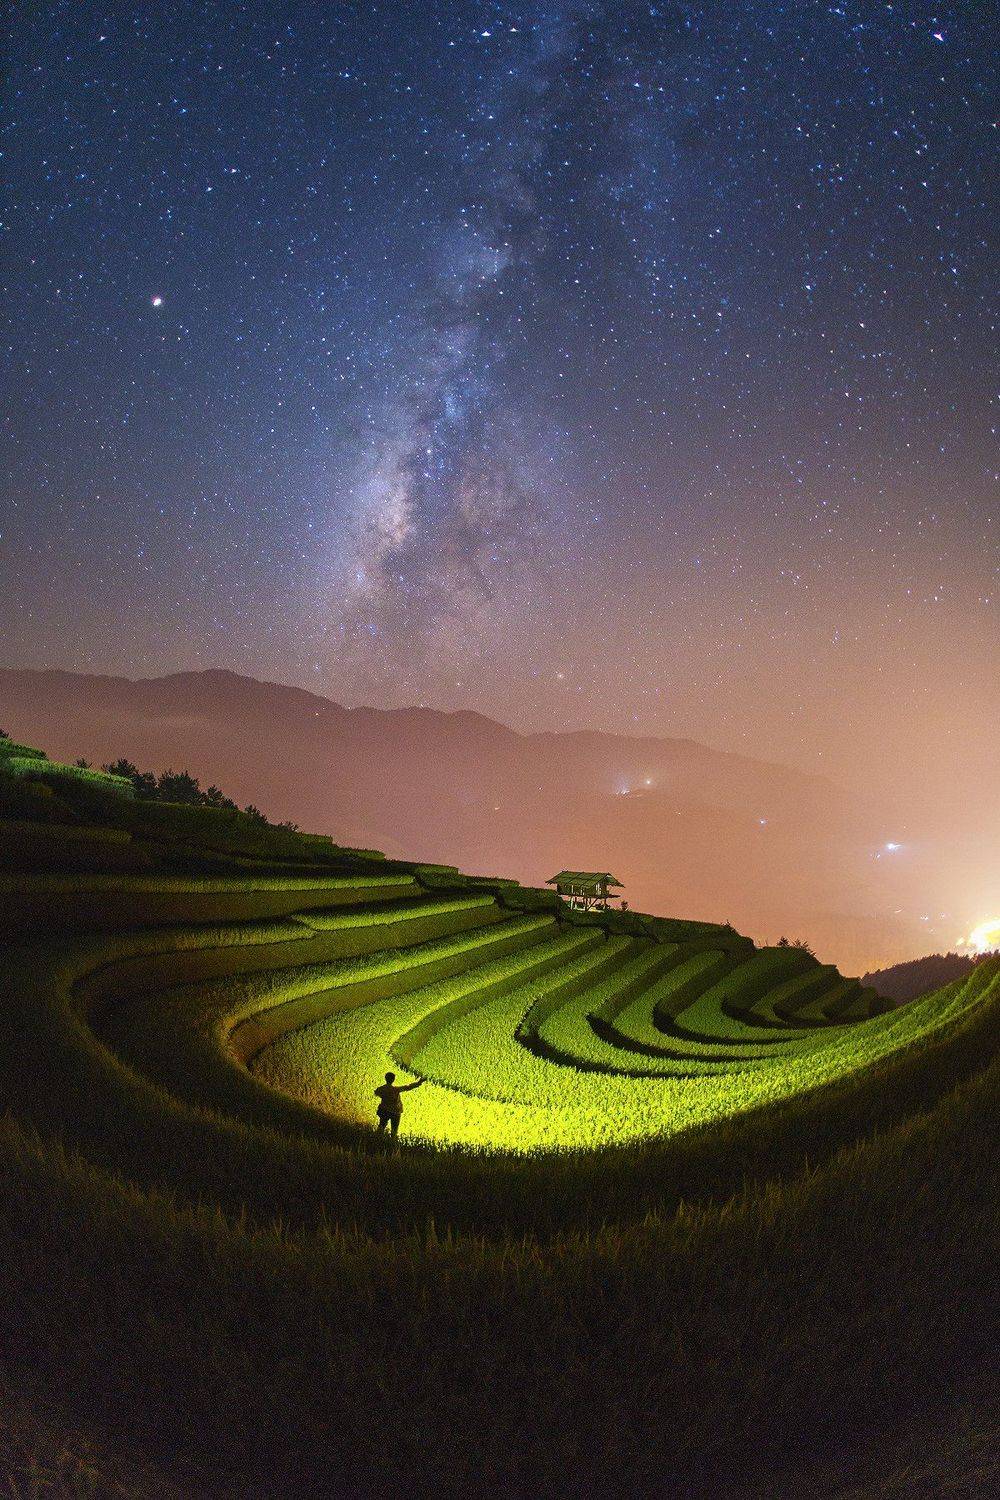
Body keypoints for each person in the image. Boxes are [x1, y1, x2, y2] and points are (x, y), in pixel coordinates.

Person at [373, 1071, 425, 1139]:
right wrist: (419, 1083)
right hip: (396, 1112)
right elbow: (408, 1087)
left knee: (381, 1127)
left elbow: (376, 1093)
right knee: (394, 1131)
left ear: (385, 1078)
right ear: (393, 1079)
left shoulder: (381, 1089)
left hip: (385, 1111)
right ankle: (392, 1145)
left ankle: (377, 1142)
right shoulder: (396, 1090)